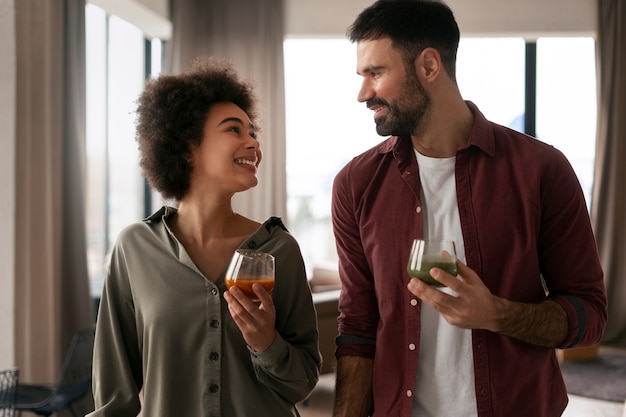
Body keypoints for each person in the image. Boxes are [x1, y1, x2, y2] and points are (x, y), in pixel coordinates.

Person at [330, 1, 607, 416]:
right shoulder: (355, 185)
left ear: (428, 66)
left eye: (376, 73)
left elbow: (591, 315)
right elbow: (358, 330)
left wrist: (497, 314)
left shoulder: (542, 171)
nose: (363, 93)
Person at [88, 57, 320, 417]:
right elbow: (113, 398)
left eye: (253, 133)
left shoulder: (279, 249)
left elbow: (302, 382)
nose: (253, 144)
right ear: (185, 147)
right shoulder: (134, 249)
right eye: (234, 130)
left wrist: (266, 343)